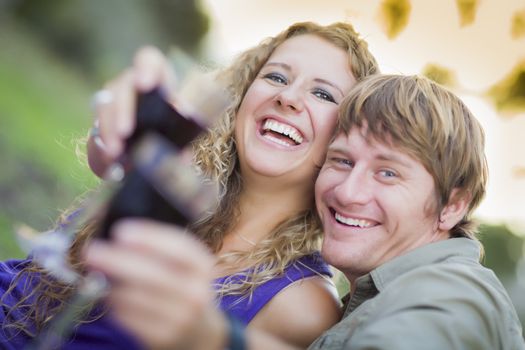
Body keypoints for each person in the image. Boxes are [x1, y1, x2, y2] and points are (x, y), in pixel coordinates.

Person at [0, 21, 379, 349]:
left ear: (344, 137)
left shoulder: (303, 304)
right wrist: (112, 121)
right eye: (277, 77)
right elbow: (108, 150)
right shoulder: (179, 172)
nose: (288, 98)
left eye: (323, 94)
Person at [83, 74, 524, 349]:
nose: (348, 193)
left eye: (388, 174)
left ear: (453, 205)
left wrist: (215, 339)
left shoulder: (457, 294)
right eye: (342, 161)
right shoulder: (372, 294)